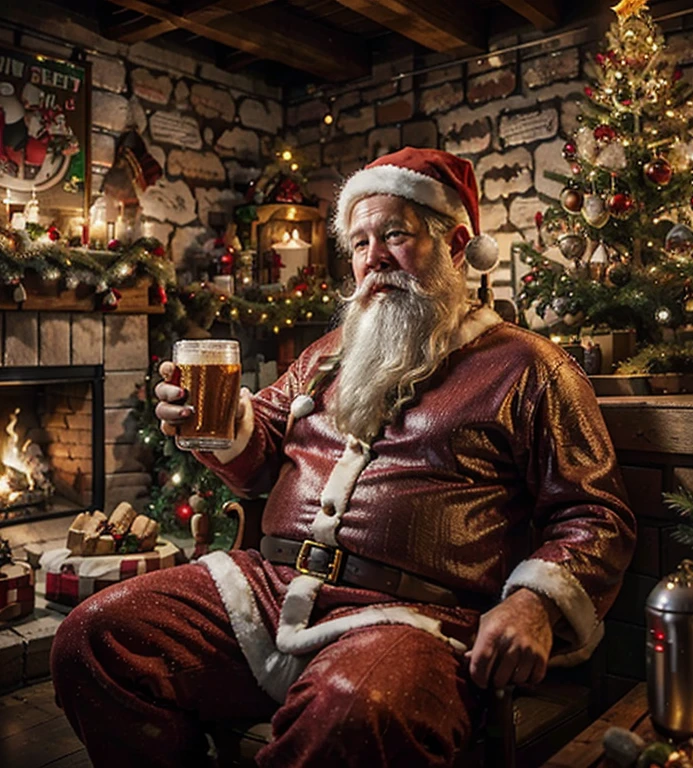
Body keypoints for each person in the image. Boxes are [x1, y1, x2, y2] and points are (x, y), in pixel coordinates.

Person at [51, 147, 635, 768]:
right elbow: (258, 452)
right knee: (94, 639)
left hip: (413, 618)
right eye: (359, 244)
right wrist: (214, 424)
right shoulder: (327, 353)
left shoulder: (530, 367)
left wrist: (535, 602)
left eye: (394, 236)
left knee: (359, 708)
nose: (373, 258)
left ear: (458, 243)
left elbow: (595, 515)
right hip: (266, 591)